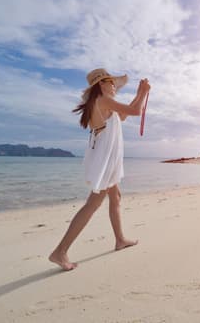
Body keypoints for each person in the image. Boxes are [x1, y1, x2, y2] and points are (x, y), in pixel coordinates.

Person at [49, 68, 151, 271]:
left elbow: (125, 114)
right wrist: (142, 93)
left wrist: (141, 94)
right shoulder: (103, 101)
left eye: (114, 82)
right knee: (93, 204)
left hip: (108, 159)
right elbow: (135, 111)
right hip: (105, 160)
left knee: (115, 198)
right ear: (100, 85)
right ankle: (60, 252)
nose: (114, 85)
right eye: (110, 82)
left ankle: (120, 239)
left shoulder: (106, 105)